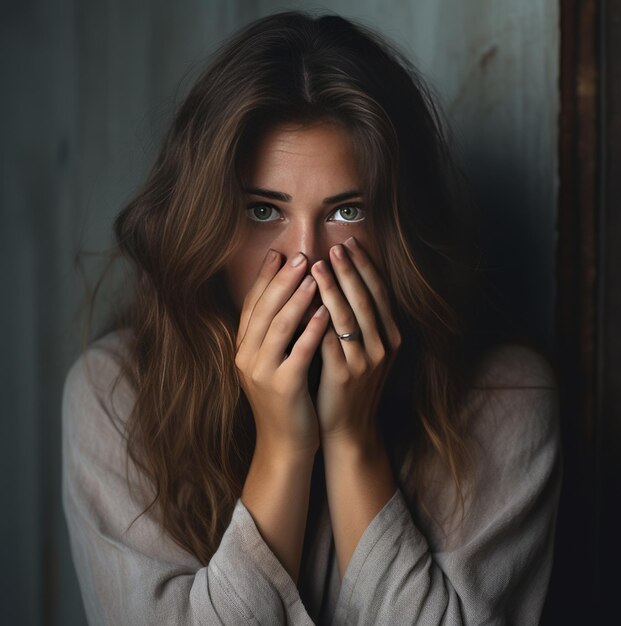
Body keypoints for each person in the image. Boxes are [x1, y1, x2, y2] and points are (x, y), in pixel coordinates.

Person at [62, 11, 561, 625]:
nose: (306, 259)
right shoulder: (115, 395)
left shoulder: (504, 395)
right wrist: (283, 450)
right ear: (204, 225)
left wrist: (354, 443)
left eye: (347, 211)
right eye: (264, 211)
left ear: (400, 230)